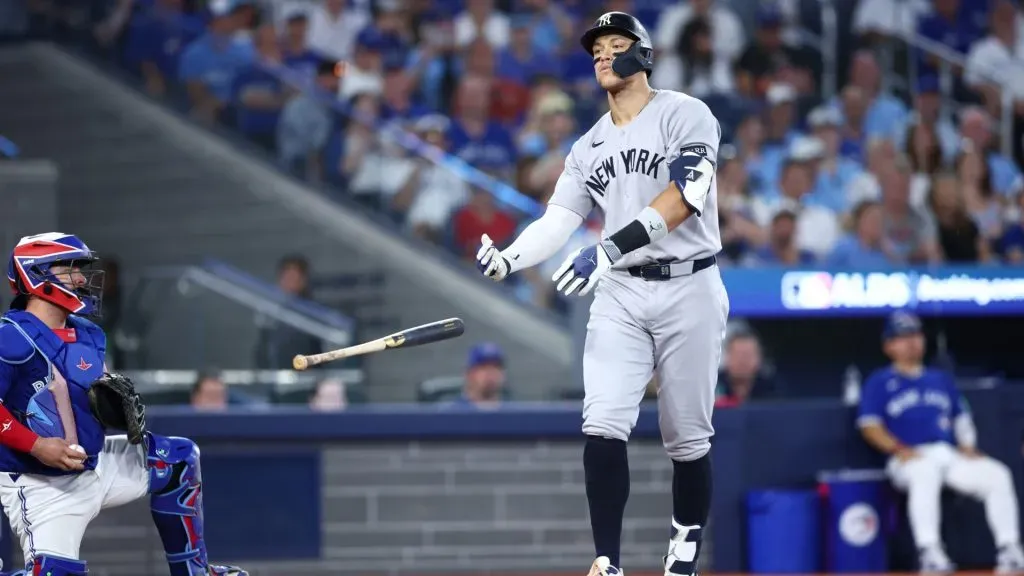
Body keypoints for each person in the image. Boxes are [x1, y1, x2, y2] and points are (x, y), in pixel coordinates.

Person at [475, 12, 728, 576]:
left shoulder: (686, 113)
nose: (604, 54)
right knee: (603, 421)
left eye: (617, 45)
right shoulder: (588, 145)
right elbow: (558, 220)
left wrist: (608, 249)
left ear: (644, 55)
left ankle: (681, 554)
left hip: (690, 283)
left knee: (686, 437)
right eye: (597, 49)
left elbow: (686, 195)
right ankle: (607, 561)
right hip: (621, 294)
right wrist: (510, 258)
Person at [0, 233, 245, 576]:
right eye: (69, 269)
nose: (82, 278)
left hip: (93, 463)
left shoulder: (88, 333)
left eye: (80, 269)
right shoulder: (9, 336)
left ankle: (195, 572)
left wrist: (111, 408)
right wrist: (37, 445)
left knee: (178, 459)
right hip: (40, 482)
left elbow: (88, 396)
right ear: (36, 274)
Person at [857, 310, 1024, 574]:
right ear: (888, 346)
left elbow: (961, 416)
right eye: (902, 337)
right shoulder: (880, 381)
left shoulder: (940, 379)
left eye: (915, 335)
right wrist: (898, 449)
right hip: (906, 459)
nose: (911, 342)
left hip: (946, 453)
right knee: (925, 472)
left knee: (997, 474)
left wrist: (967, 445)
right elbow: (869, 426)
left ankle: (1009, 548)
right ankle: (930, 551)